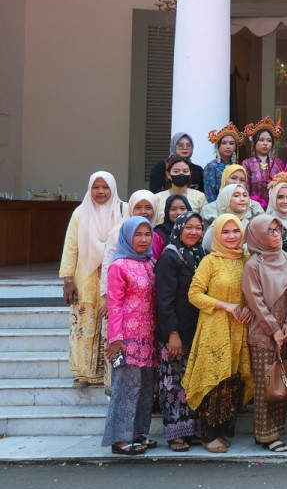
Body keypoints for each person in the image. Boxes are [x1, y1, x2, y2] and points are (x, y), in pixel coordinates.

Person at [183, 214, 253, 454]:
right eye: (226, 232)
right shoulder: (210, 261)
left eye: (235, 231)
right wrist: (225, 306)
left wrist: (249, 309)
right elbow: (194, 294)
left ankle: (221, 431)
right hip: (215, 327)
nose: (232, 236)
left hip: (239, 327)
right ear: (216, 235)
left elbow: (254, 292)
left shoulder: (247, 260)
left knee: (231, 381)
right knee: (214, 379)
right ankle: (207, 435)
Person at [60, 171, 124, 389]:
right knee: (84, 325)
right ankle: (84, 374)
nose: (100, 192)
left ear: (113, 189)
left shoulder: (122, 210)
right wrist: (68, 280)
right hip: (85, 279)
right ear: (89, 189)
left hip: (115, 279)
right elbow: (71, 247)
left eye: (105, 187)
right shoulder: (80, 213)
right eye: (96, 187)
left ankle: (110, 376)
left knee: (110, 325)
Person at [101, 217, 157, 455]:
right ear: (126, 236)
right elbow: (115, 305)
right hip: (126, 338)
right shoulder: (119, 266)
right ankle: (119, 440)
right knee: (125, 387)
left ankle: (136, 433)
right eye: (137, 234)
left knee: (144, 388)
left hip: (149, 335)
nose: (143, 239)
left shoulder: (150, 262)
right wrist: (115, 339)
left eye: (147, 234)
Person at [241, 216, 287, 453]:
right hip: (263, 332)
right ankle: (265, 434)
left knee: (281, 383)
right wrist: (273, 329)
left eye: (278, 229)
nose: (275, 234)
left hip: (284, 330)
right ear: (258, 235)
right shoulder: (253, 264)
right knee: (266, 385)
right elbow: (255, 301)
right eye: (270, 230)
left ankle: (277, 431)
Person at [155, 210, 206, 452]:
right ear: (179, 229)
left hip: (194, 330)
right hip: (174, 334)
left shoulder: (199, 254)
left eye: (198, 228)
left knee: (190, 382)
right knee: (172, 383)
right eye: (189, 227)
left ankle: (190, 430)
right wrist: (172, 333)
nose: (194, 232)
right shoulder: (170, 257)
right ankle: (175, 433)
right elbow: (164, 300)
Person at [241, 118, 286, 208]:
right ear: (254, 143)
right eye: (261, 140)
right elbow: (244, 189)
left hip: (275, 207)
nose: (265, 143)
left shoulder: (278, 163)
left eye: (269, 141)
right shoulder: (247, 163)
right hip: (253, 207)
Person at [201, 183, 261, 247]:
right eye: (236, 196)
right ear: (225, 199)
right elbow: (206, 248)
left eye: (245, 195)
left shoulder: (252, 223)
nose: (243, 199)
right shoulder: (218, 224)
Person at [153, 155, 208, 223]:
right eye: (176, 171)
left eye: (185, 171)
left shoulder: (200, 197)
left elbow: (204, 223)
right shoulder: (157, 198)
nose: (181, 174)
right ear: (168, 175)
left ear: (190, 174)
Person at [204, 124, 244, 202]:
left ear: (235, 147)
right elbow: (209, 193)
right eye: (224, 143)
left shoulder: (237, 167)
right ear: (218, 146)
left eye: (231, 143)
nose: (228, 146)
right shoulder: (211, 167)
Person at [153, 194, 191, 261]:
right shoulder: (159, 234)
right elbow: (154, 261)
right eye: (173, 209)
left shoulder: (194, 231)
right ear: (167, 212)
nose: (178, 212)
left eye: (182, 208)